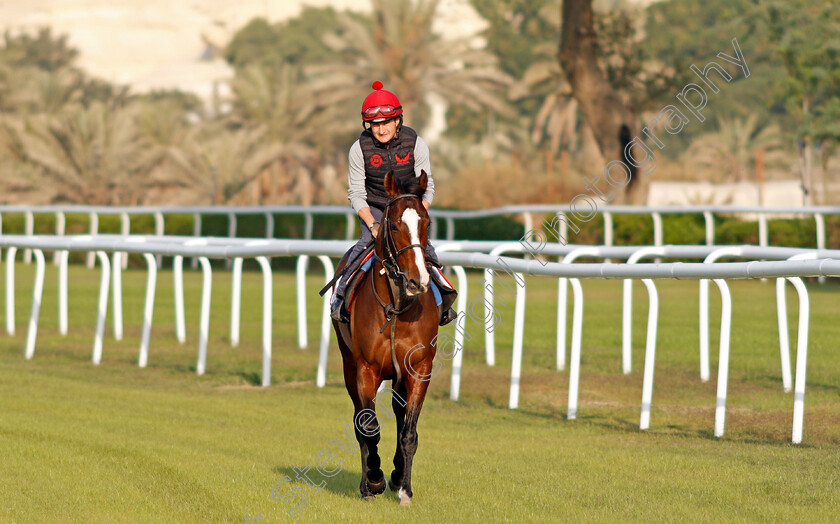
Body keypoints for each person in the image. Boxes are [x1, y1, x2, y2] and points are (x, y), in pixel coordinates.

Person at [330, 81, 457, 326]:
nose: (381, 129)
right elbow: (356, 193)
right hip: (375, 208)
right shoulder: (358, 149)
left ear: (398, 121)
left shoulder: (417, 144)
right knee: (366, 242)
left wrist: (416, 217)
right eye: (375, 124)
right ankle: (340, 296)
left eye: (386, 122)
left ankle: (443, 297)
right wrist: (373, 224)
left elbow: (427, 187)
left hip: (409, 207)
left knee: (423, 247)